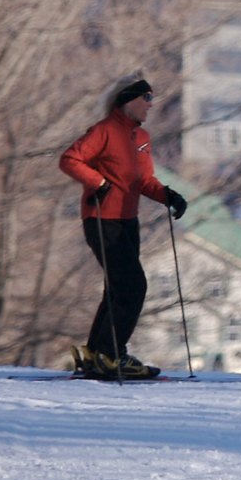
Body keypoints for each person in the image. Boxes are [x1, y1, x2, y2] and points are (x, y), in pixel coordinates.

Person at [58, 77, 187, 380]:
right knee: (133, 286)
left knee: (118, 288)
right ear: (128, 100)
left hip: (128, 221)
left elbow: (143, 180)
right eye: (147, 98)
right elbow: (70, 160)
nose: (151, 105)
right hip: (102, 219)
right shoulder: (104, 131)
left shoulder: (140, 136)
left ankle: (96, 353)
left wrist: (168, 195)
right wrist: (98, 183)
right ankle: (111, 354)